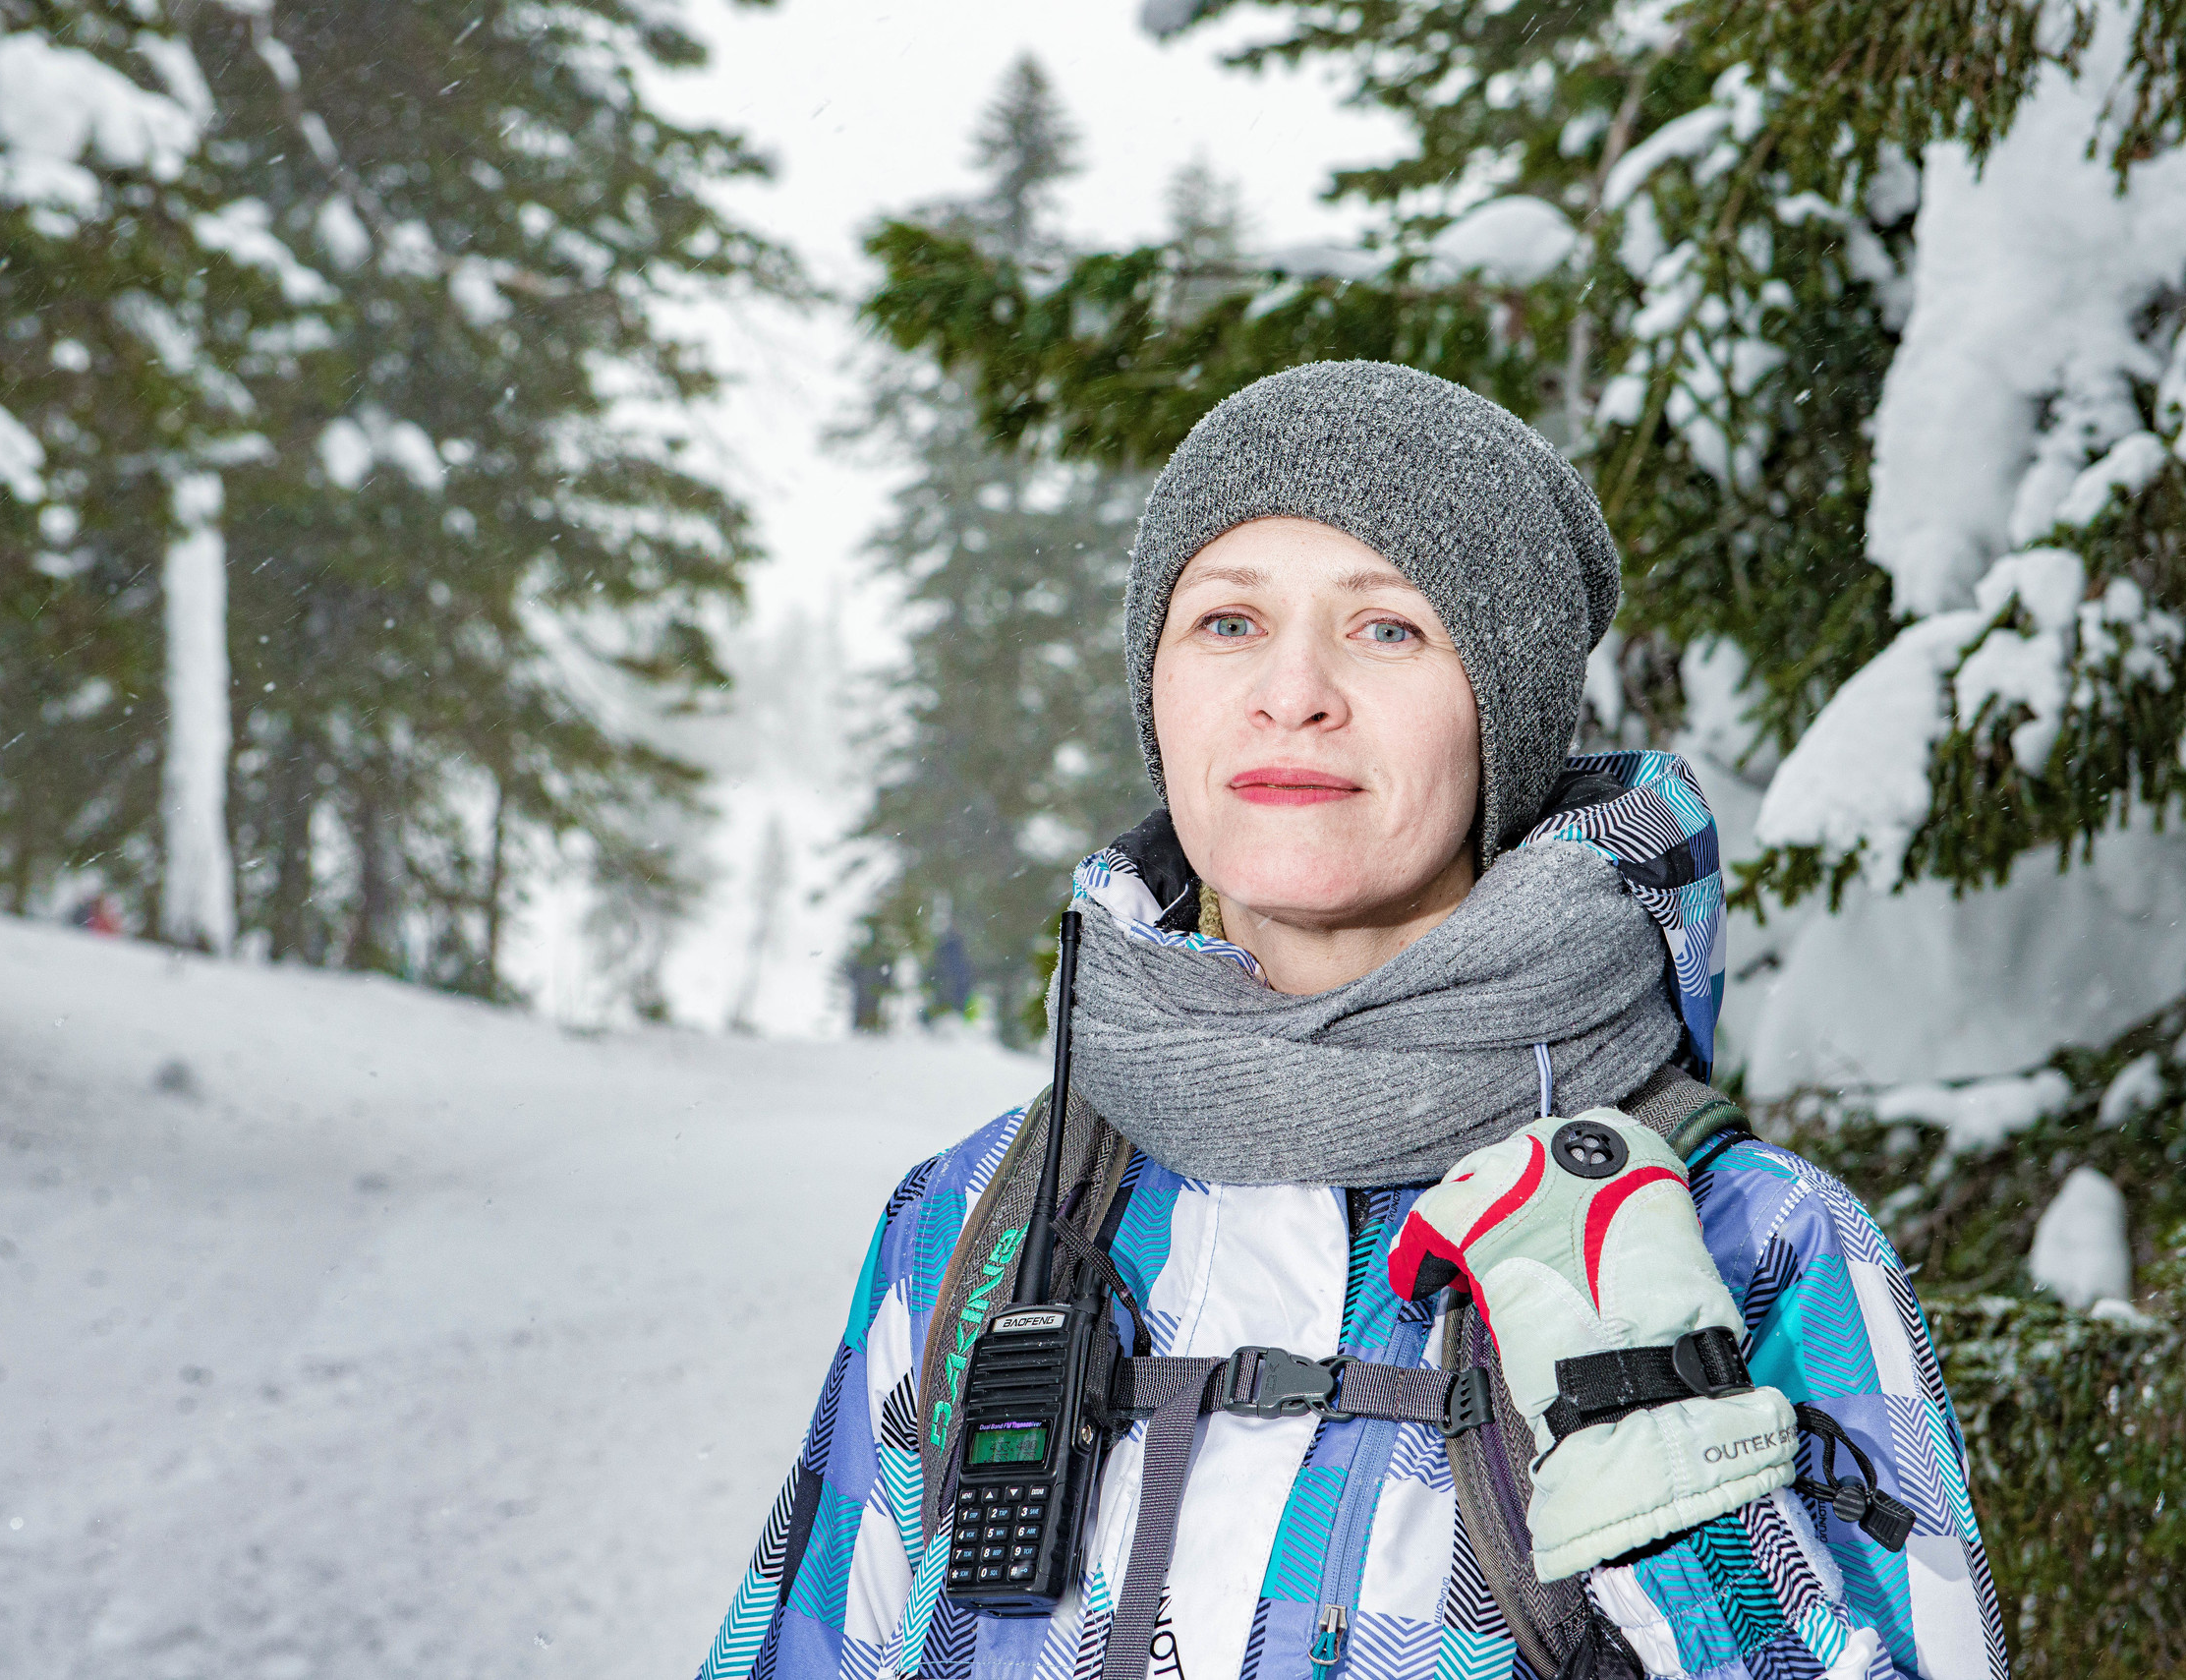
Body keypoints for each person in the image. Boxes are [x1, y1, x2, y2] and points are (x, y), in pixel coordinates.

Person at [695, 363, 2005, 1680]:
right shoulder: (979, 1219)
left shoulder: (1752, 1240)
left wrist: (1683, 1511)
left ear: (1508, 712)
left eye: (1388, 629)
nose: (1293, 692)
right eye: (1227, 623)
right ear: (1155, 689)